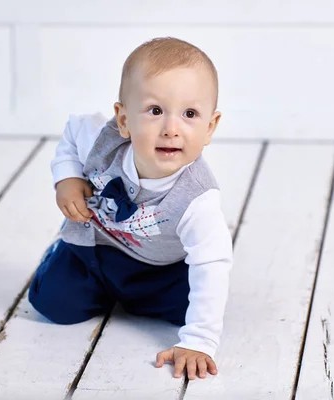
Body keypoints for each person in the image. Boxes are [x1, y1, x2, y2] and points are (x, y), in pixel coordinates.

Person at [28, 37, 233, 380]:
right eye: (155, 111)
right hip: (95, 250)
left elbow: (211, 264)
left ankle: (134, 297)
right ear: (123, 120)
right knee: (52, 304)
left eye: (190, 114)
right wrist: (66, 178)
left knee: (195, 303)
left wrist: (199, 341)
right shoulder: (101, 139)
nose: (171, 129)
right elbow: (70, 133)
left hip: (159, 268)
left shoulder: (198, 199)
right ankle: (72, 268)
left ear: (210, 127)